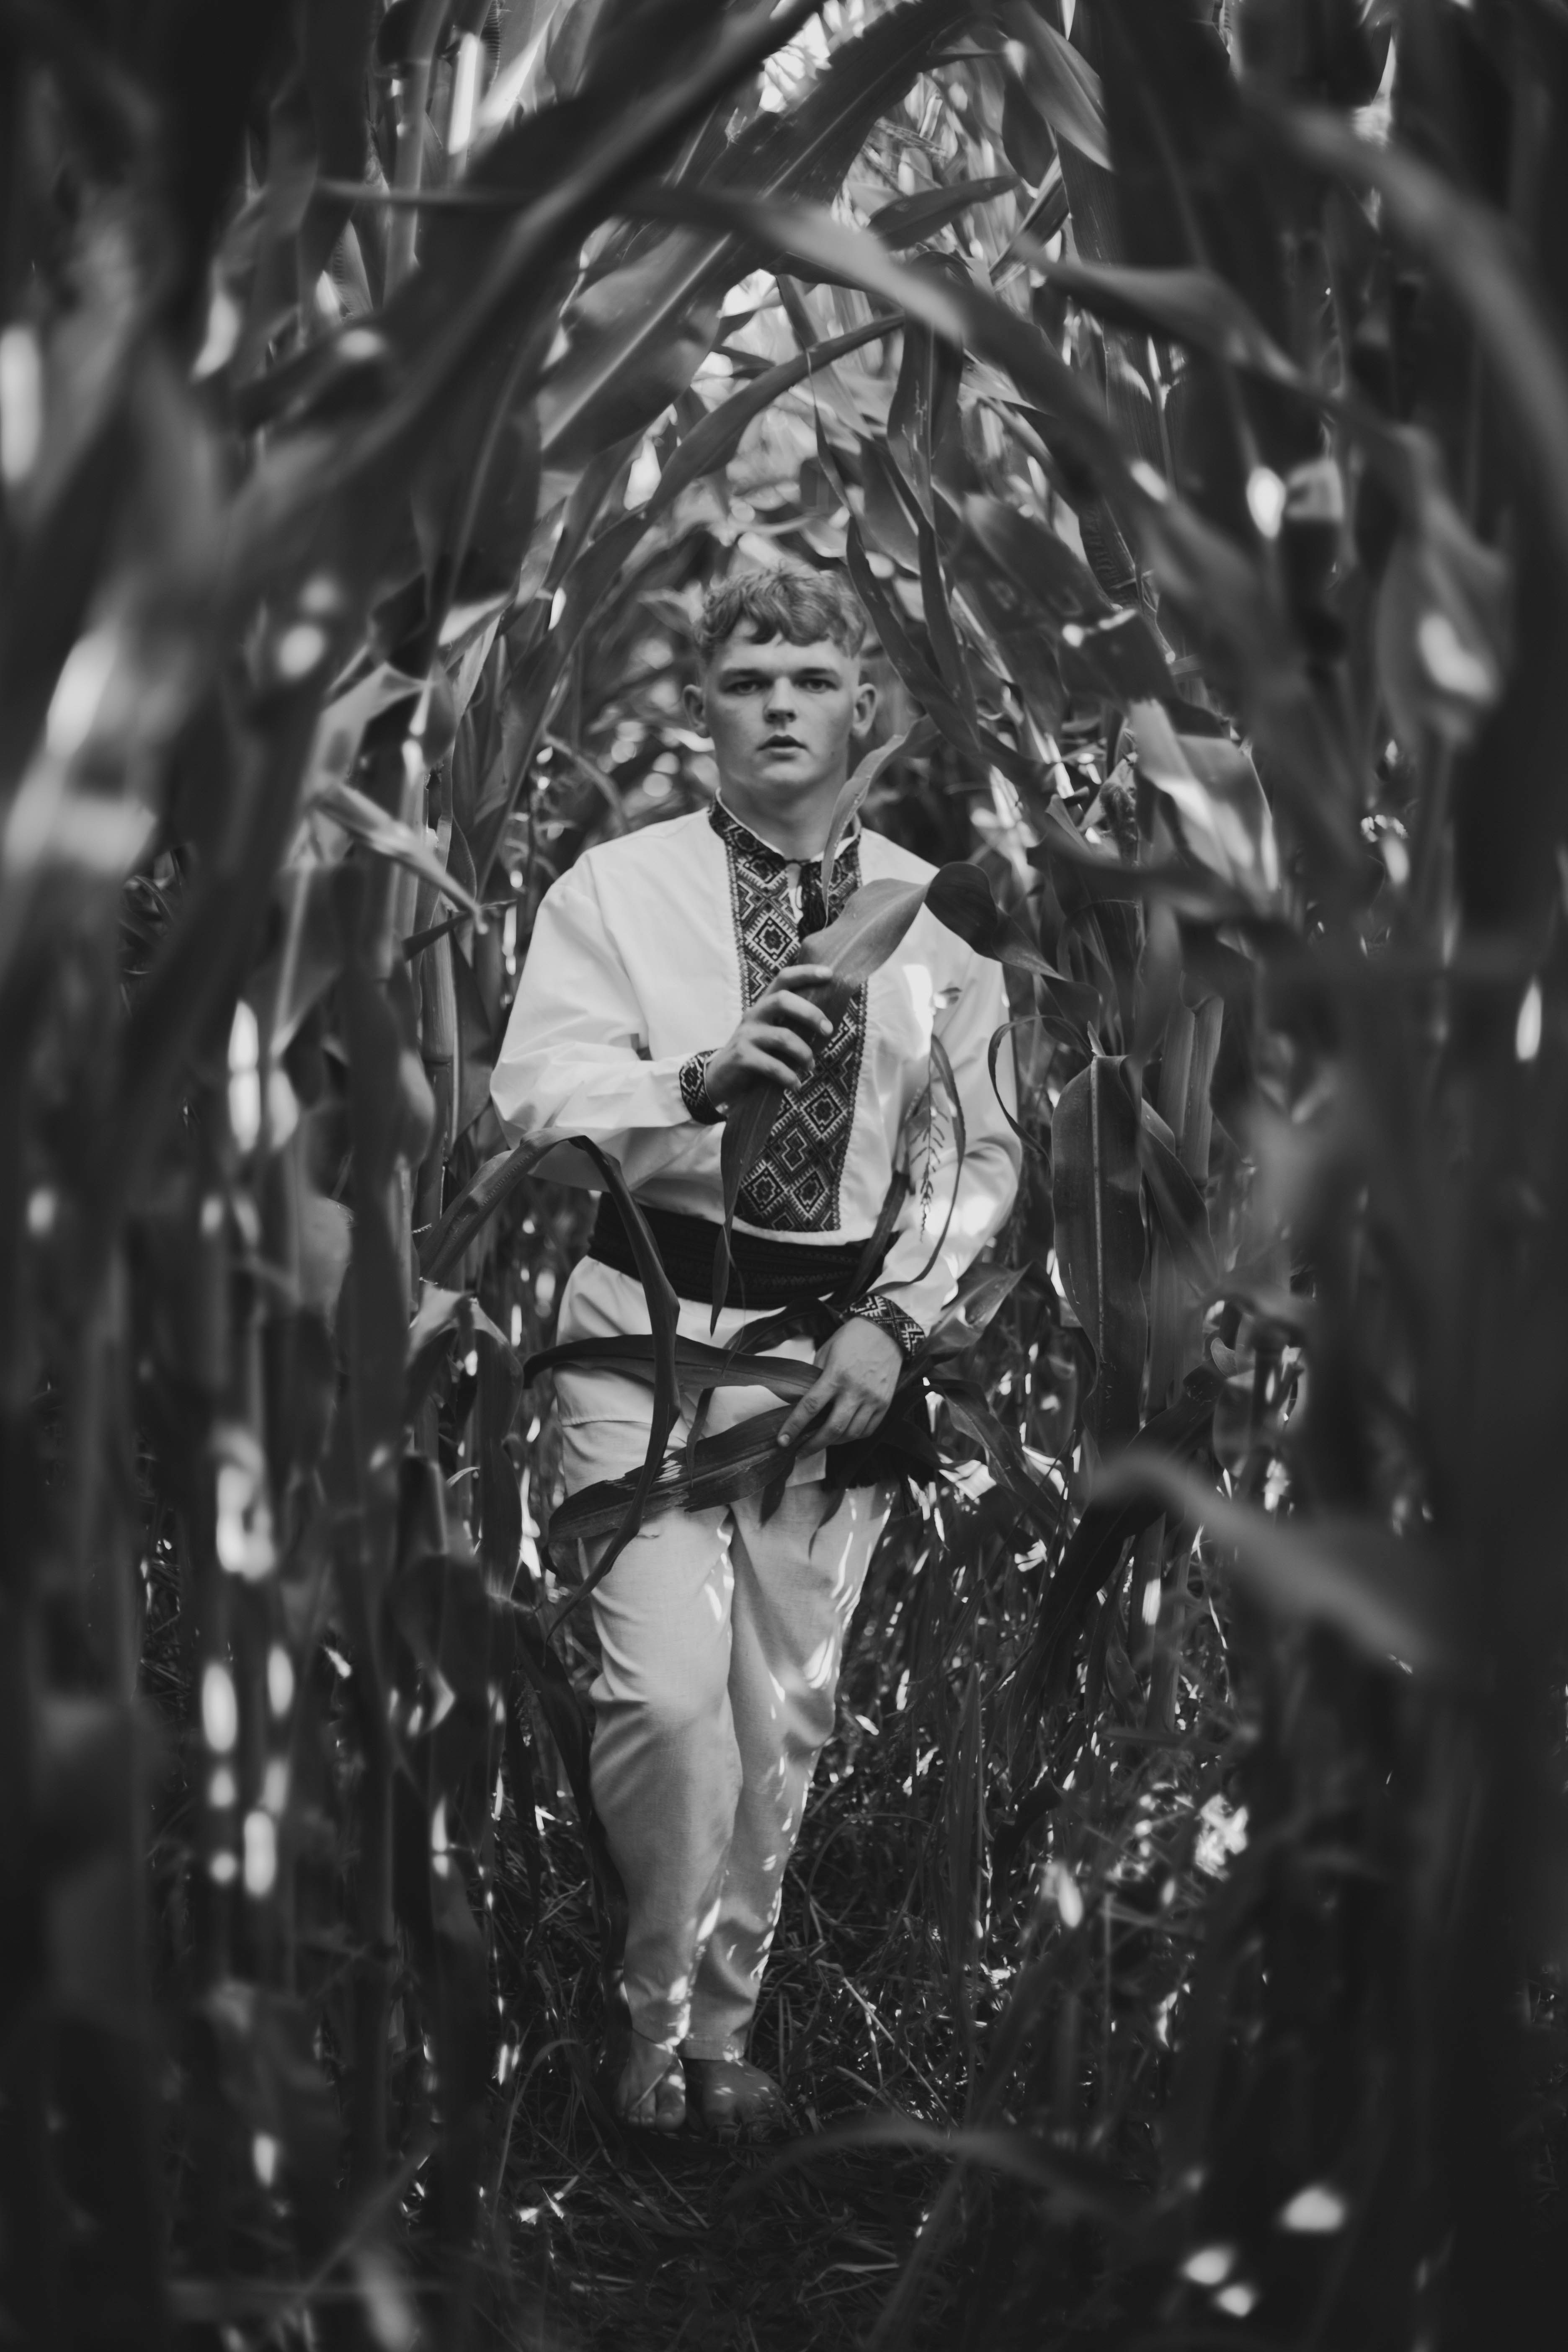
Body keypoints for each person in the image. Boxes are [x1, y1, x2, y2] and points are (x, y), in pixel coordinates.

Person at [491, 569, 1020, 2138]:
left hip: (831, 1369)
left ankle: (721, 2042)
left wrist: (894, 1325)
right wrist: (696, 1076)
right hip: (641, 1345)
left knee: (780, 1715)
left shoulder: (936, 938)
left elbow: (970, 1161)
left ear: (863, 709)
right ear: (705, 708)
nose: (778, 704)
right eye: (745, 680)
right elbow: (535, 1095)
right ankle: (647, 2042)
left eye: (808, 676)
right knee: (666, 1704)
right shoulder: (616, 892)